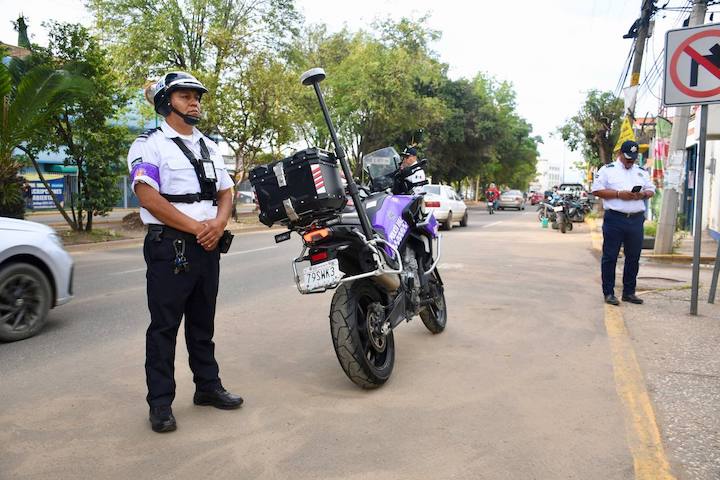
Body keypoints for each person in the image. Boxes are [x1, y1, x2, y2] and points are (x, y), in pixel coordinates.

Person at [127, 71, 242, 433]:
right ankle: (160, 403)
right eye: (185, 96)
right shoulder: (149, 144)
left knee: (202, 323)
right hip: (170, 246)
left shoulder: (209, 145)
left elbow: (225, 191)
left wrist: (218, 225)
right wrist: (197, 228)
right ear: (166, 102)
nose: (195, 102)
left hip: (208, 245)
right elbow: (147, 196)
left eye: (197, 97)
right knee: (164, 327)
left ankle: (207, 387)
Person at [591, 140, 655, 306]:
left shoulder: (641, 172)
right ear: (620, 154)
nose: (630, 162)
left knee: (633, 257)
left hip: (636, 219)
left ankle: (629, 292)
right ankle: (609, 292)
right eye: (627, 158)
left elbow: (651, 189)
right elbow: (596, 190)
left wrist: (642, 195)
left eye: (632, 159)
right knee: (610, 256)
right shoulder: (607, 170)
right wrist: (619, 194)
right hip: (615, 219)